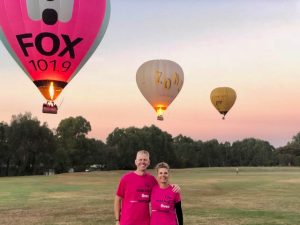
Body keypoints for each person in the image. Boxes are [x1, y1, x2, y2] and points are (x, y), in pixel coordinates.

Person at [114, 150, 180, 225]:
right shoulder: (126, 178)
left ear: (148, 162)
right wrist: (117, 220)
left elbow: (163, 187)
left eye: (145, 160)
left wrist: (174, 186)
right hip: (127, 221)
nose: (143, 162)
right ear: (136, 161)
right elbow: (118, 199)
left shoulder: (152, 180)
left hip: (145, 222)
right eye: (140, 159)